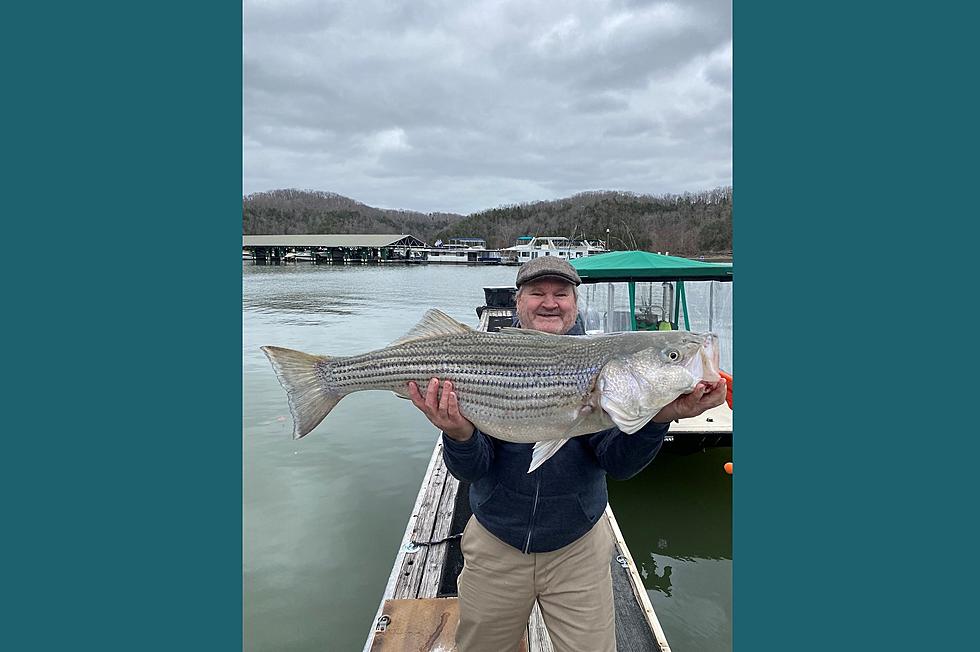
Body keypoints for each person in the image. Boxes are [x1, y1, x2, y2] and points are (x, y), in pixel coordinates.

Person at [407, 256, 727, 652]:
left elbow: (619, 465)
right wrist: (457, 433)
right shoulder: (490, 354)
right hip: (496, 542)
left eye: (561, 293)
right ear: (518, 301)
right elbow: (472, 468)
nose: (550, 302)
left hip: (578, 547)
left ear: (575, 303)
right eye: (537, 293)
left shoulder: (599, 362)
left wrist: (660, 418)